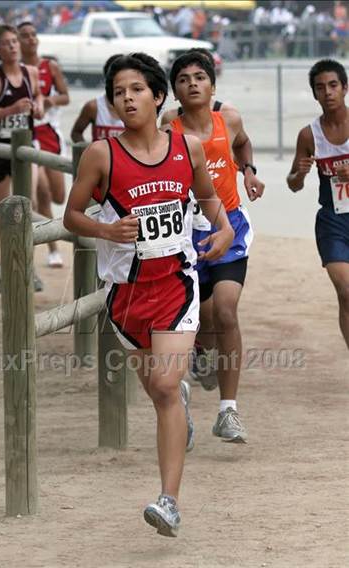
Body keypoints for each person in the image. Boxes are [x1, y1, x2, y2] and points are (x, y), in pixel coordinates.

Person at [63, 52, 234, 537]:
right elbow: (73, 214)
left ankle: (169, 501)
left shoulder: (188, 148)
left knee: (161, 387)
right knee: (162, 394)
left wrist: (221, 229)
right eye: (118, 92)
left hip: (178, 285)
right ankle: (178, 406)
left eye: (136, 89)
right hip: (126, 295)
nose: (126, 99)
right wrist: (106, 228)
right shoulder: (101, 155)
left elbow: (206, 196)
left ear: (159, 96)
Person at [168, 51, 265, 443]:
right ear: (173, 91)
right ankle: (196, 368)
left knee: (226, 311)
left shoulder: (231, 120)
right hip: (185, 235)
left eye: (200, 77)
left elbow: (242, 144)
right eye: (184, 78)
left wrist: (249, 172)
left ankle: (228, 411)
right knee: (200, 323)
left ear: (212, 85)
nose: (192, 83)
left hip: (230, 227)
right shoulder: (168, 129)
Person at [0, 25, 44, 293]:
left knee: (28, 203)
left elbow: (38, 98)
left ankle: (27, 265)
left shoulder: (31, 73)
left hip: (24, 150)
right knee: (2, 209)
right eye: (7, 43)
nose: (13, 46)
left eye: (15, 41)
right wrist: (10, 110)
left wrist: (37, 108)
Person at [287, 59, 349, 348]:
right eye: (320, 87)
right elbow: (293, 184)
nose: (328, 92)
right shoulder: (309, 135)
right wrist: (299, 172)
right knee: (345, 290)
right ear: (314, 94)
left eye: (333, 85)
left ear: (345, 88)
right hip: (333, 221)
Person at [18, 21, 70, 268]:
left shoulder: (50, 66)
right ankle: (52, 249)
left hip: (51, 134)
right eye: (25, 36)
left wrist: (49, 100)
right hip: (28, 135)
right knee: (41, 195)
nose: (30, 39)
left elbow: (66, 96)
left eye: (33, 34)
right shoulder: (13, 70)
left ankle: (49, 240)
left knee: (59, 195)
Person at [160, 48, 228, 128]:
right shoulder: (170, 122)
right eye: (183, 80)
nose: (193, 83)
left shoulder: (229, 116)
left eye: (199, 77)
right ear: (175, 93)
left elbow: (243, 140)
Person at [70, 54, 124, 143]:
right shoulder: (93, 107)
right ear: (106, 80)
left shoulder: (136, 107)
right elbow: (76, 133)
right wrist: (89, 151)